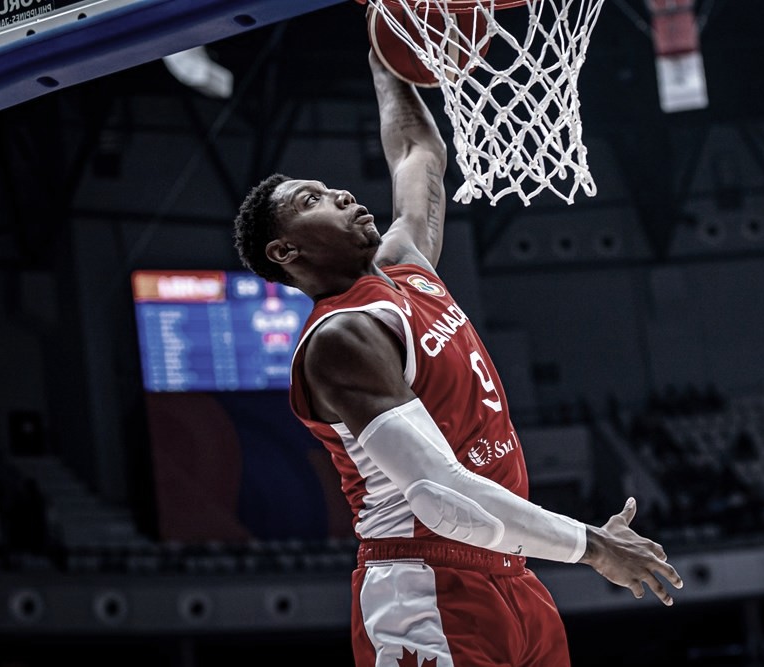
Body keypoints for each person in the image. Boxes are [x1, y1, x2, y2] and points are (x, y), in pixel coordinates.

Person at [233, 48, 682, 667]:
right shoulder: (342, 338)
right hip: (424, 582)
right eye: (312, 200)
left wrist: (386, 49)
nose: (338, 192)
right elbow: (439, 493)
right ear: (285, 252)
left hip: (512, 573)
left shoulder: (405, 261)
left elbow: (418, 152)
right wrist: (593, 547)